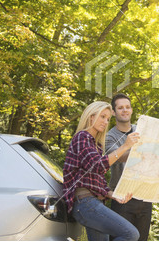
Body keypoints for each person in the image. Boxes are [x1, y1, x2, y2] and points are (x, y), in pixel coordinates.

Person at [63, 101, 140, 241]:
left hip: (94, 202)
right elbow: (97, 166)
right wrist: (125, 146)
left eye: (108, 119)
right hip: (85, 203)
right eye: (102, 116)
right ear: (91, 117)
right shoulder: (82, 137)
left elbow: (98, 180)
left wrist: (114, 195)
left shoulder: (96, 145)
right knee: (131, 234)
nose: (105, 122)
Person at [105, 93, 153, 241]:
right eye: (120, 108)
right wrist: (136, 150)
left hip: (144, 196)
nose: (124, 110)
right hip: (121, 198)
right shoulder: (109, 136)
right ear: (114, 112)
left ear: (131, 110)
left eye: (127, 107)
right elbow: (116, 157)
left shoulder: (142, 131)